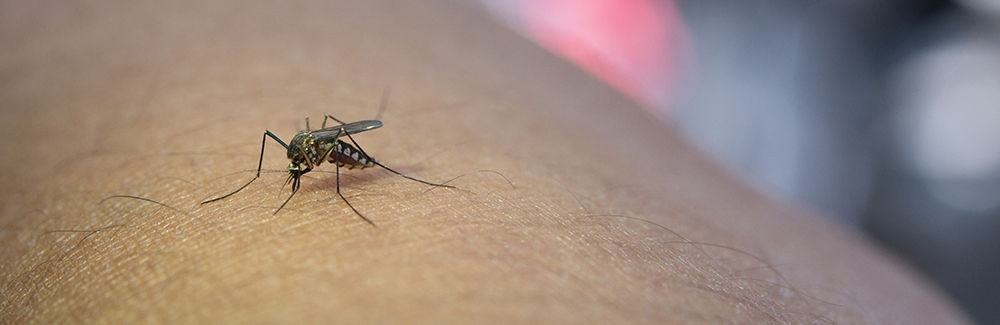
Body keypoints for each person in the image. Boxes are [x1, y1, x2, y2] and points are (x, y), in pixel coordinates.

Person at [0, 1, 970, 323]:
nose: (306, 166)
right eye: (306, 165)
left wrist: (359, 161)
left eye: (307, 165)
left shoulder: (321, 153)